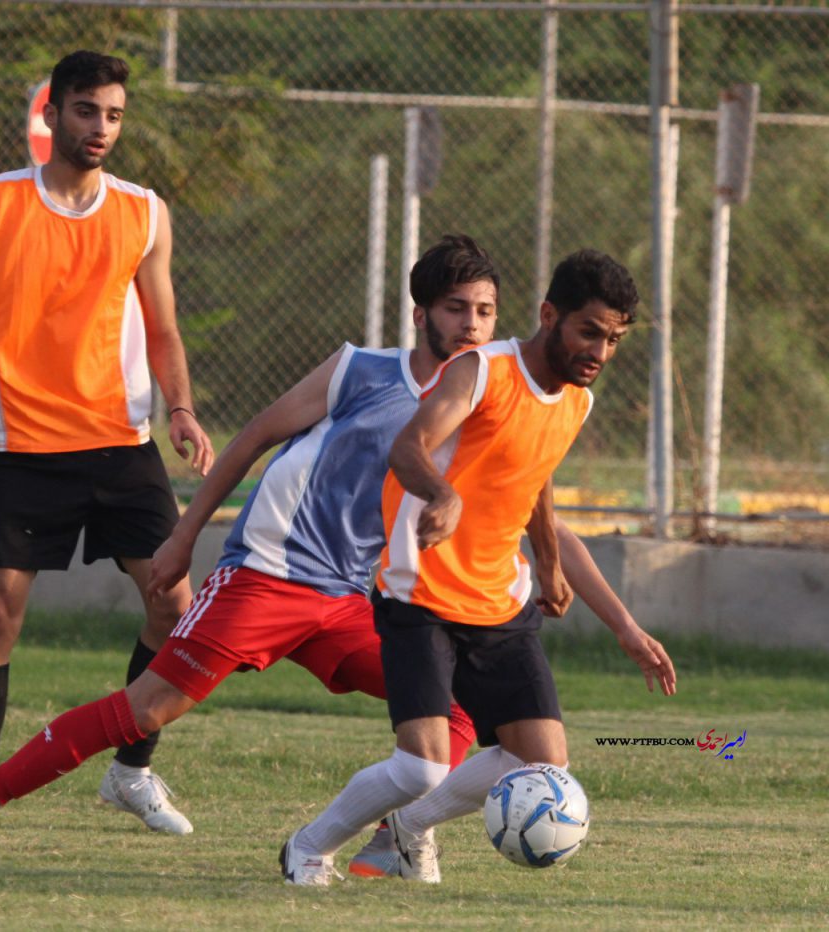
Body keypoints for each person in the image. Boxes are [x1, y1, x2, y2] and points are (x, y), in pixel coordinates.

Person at [0, 236, 668, 863]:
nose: (471, 326)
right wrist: (185, 536)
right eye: (455, 310)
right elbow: (255, 435)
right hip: (270, 575)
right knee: (147, 710)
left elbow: (534, 499)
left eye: (483, 312)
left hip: (351, 597)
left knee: (454, 721)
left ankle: (399, 837)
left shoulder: (492, 395)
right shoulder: (364, 371)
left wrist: (611, 615)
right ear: (421, 315)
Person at [0, 50, 213, 837]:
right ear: (52, 114)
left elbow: (165, 326)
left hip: (120, 442)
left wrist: (181, 408)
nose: (101, 128)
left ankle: (132, 772)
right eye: (86, 111)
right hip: (25, 449)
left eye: (113, 115)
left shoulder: (143, 211)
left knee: (176, 605)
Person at [280, 249, 677, 885]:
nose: (600, 351)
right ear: (550, 316)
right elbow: (408, 447)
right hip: (420, 589)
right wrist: (443, 494)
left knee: (544, 767)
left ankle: (409, 831)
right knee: (420, 768)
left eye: (614, 339)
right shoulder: (481, 371)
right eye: (589, 332)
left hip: (500, 601)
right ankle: (308, 845)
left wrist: (566, 577)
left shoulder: (575, 401)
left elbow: (534, 483)